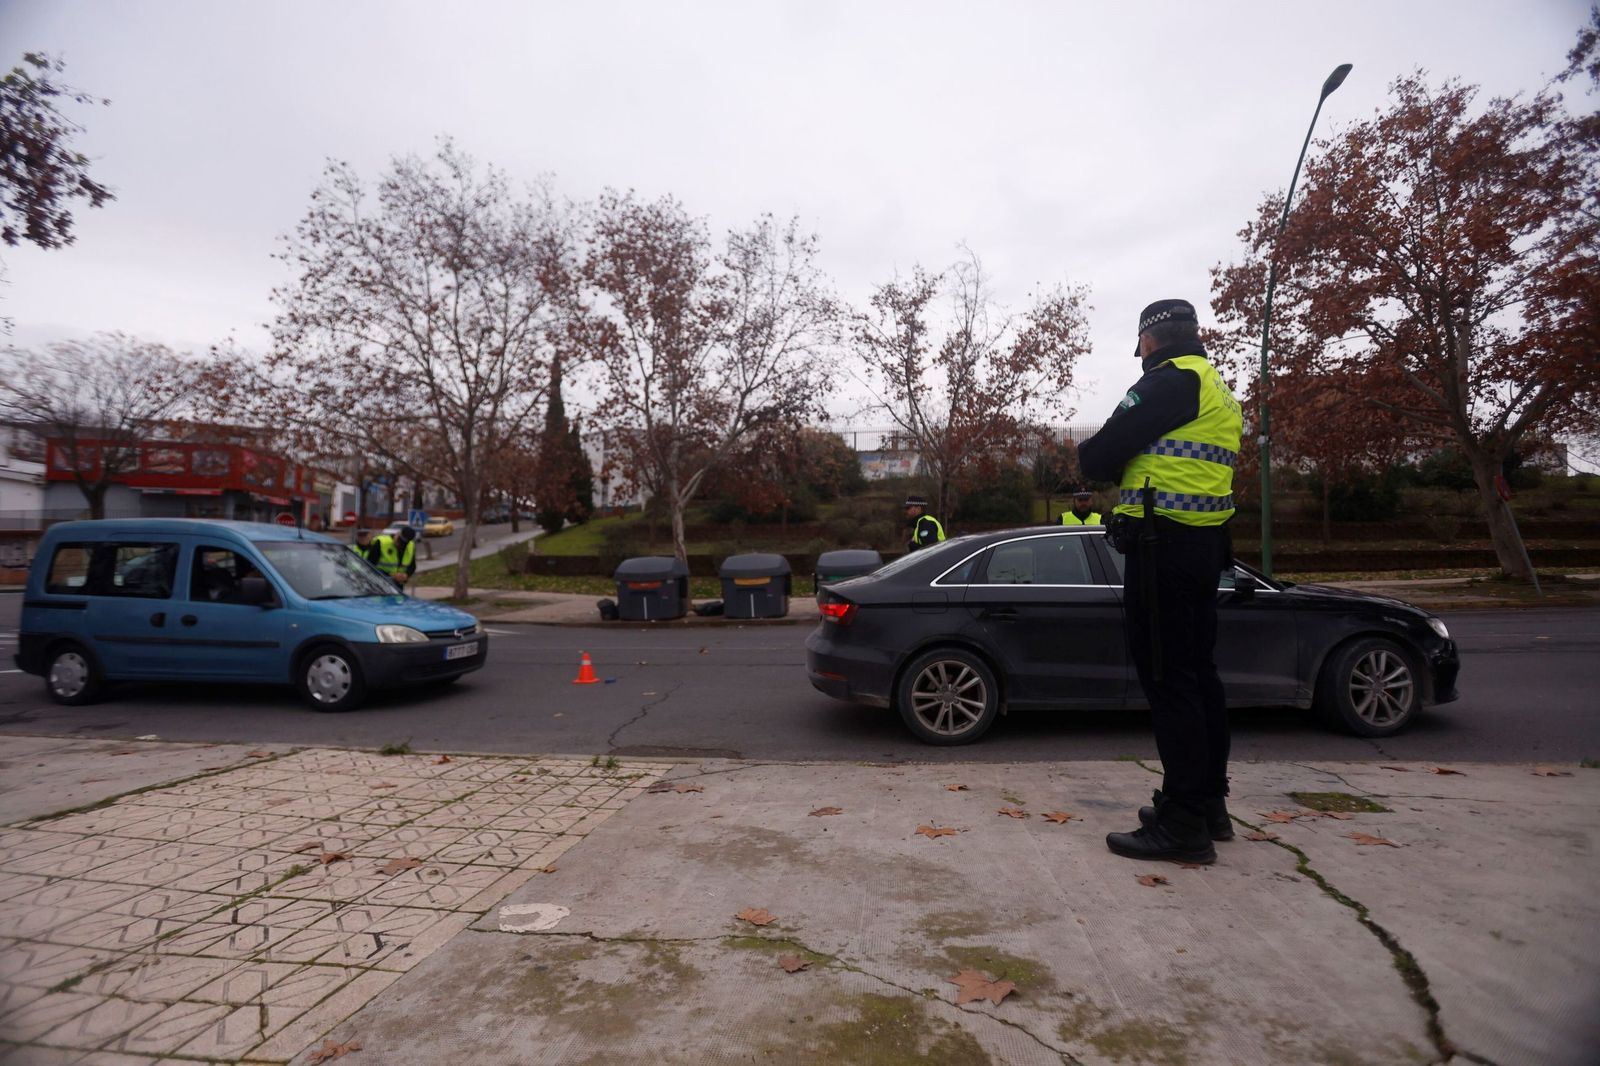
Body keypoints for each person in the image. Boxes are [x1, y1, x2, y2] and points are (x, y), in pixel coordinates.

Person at [1078, 298, 1243, 865]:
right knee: (1199, 677)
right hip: (1202, 547)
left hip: (1162, 548)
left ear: (1148, 342)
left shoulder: (1168, 383)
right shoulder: (1218, 387)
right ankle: (1205, 805)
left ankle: (1183, 827)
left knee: (1169, 680)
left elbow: (1096, 458)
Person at [370, 525, 419, 590]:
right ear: (397, 533)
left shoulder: (410, 546)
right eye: (399, 540)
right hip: (379, 584)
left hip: (398, 586)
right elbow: (369, 565)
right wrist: (390, 575)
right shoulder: (381, 543)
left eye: (403, 544)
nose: (399, 544)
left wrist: (406, 575)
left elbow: (412, 566)